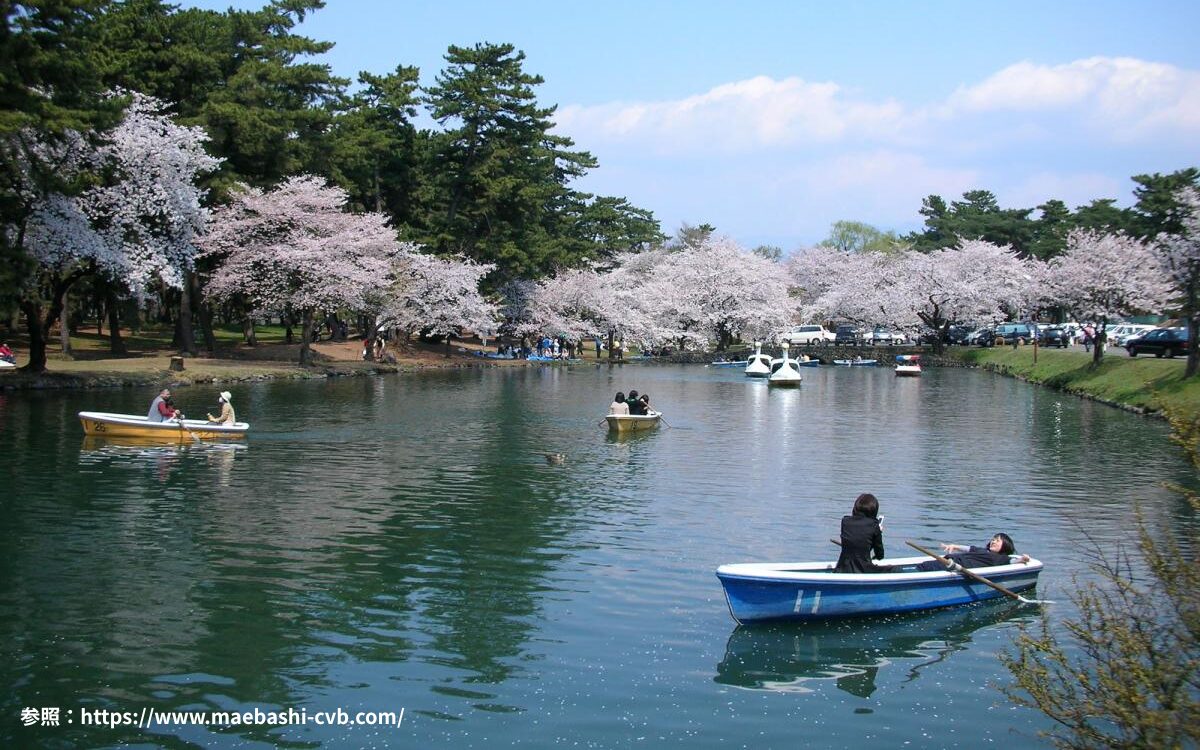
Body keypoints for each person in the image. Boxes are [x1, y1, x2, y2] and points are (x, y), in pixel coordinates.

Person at [833, 493, 891, 573]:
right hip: (864, 570)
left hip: (842, 569)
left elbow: (857, 543)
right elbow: (880, 555)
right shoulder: (874, 526)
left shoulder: (845, 521)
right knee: (894, 569)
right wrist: (878, 533)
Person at [914, 533, 1027, 571]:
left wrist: (1022, 559)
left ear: (1005, 545)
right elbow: (968, 548)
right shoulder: (982, 550)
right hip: (949, 560)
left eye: (997, 541)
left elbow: (1012, 561)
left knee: (924, 567)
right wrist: (954, 546)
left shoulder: (1001, 558)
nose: (993, 542)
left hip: (954, 567)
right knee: (923, 566)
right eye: (993, 539)